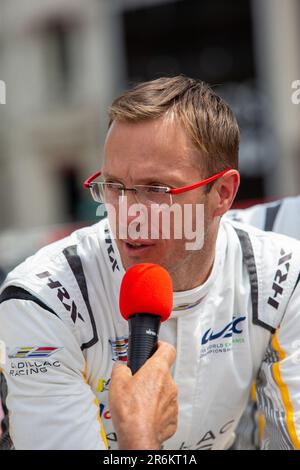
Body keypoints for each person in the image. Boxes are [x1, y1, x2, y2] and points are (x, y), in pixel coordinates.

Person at [0, 76, 300, 450]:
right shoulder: (41, 299)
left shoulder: (282, 278)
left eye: (156, 190)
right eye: (113, 187)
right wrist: (139, 439)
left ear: (222, 194)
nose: (128, 215)